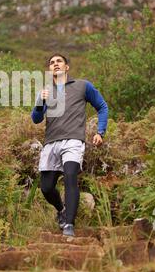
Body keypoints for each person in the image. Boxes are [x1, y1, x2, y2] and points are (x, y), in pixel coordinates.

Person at [31, 53, 108, 237]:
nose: (55, 64)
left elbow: (102, 106)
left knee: (70, 176)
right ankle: (61, 210)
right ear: (50, 69)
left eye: (59, 61)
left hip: (73, 140)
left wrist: (100, 132)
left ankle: (69, 226)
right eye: (51, 63)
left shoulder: (82, 86)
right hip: (51, 142)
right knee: (46, 188)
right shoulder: (46, 91)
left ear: (66, 67)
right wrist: (41, 101)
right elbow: (36, 119)